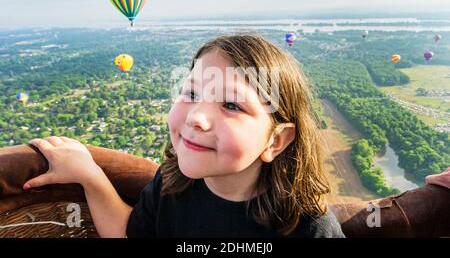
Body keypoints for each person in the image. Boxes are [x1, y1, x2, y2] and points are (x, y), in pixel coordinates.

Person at [24, 34, 345, 238]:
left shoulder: (308, 225)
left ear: (276, 140)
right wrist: (90, 175)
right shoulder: (170, 184)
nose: (196, 117)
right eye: (190, 93)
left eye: (231, 104)